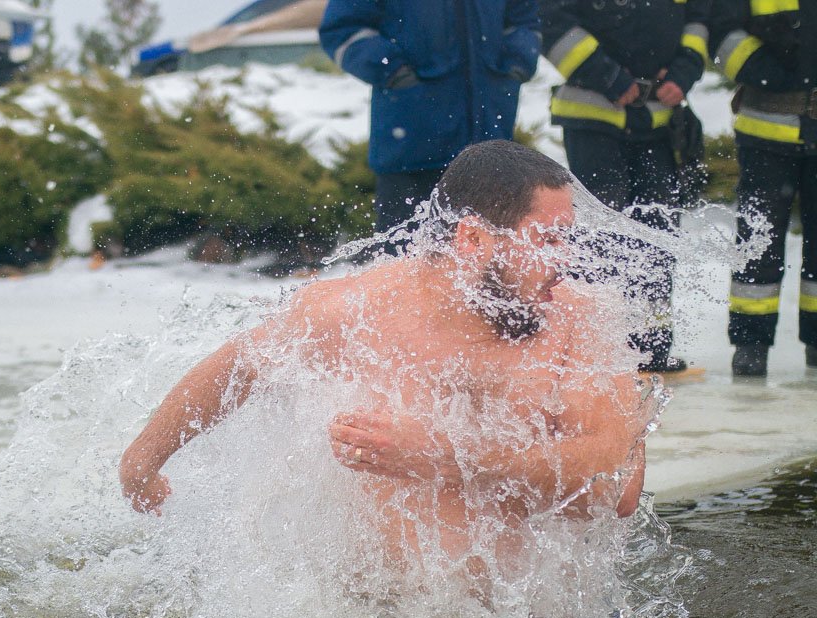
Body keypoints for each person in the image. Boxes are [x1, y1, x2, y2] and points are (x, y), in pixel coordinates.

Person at [119, 141, 650, 571]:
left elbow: (616, 490)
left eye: (569, 240)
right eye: (548, 241)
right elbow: (236, 369)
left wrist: (451, 458)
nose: (569, 261)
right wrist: (141, 463)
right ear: (471, 239)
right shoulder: (360, 310)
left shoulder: (577, 323)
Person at [539, 0, 712, 373]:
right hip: (593, 114)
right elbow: (550, 19)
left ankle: (651, 348)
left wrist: (684, 72)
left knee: (658, 235)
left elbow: (700, 20)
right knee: (596, 237)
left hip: (660, 122)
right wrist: (607, 76)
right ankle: (590, 348)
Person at [318, 0, 541, 234]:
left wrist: (519, 62)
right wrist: (393, 71)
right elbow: (342, 29)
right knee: (405, 259)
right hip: (412, 150)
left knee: (485, 260)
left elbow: (525, 20)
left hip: (488, 148)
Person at [712, 0, 817, 377]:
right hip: (765, 131)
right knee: (758, 242)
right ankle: (750, 344)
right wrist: (764, 70)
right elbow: (720, 30)